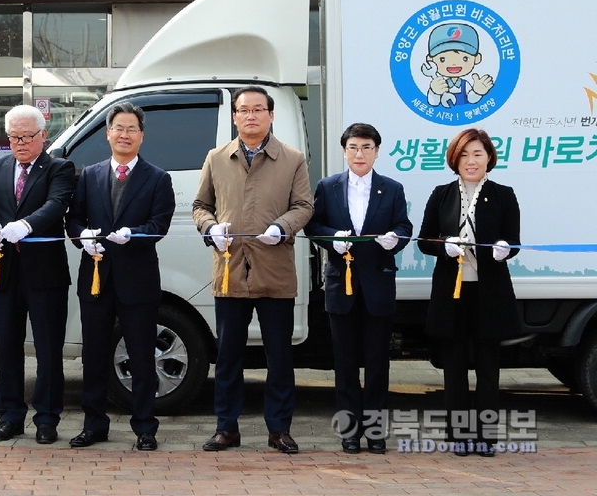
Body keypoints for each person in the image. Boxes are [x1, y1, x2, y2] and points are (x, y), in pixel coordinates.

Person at [192, 85, 313, 453]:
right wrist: (210, 229)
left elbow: (304, 205)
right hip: (229, 270)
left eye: (258, 109)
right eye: (243, 110)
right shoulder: (216, 158)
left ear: (271, 116)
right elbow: (201, 205)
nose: (251, 116)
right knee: (228, 354)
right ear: (234, 116)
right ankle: (226, 427)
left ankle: (279, 429)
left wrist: (283, 226)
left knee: (279, 355)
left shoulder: (292, 159)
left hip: (274, 270)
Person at [64, 102, 175, 451]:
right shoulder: (90, 175)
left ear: (141, 136)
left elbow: (159, 225)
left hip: (137, 280)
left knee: (141, 356)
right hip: (96, 277)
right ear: (108, 133)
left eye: (131, 129)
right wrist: (83, 238)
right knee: (94, 355)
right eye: (118, 128)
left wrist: (133, 234)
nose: (124, 135)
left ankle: (145, 427)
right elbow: (74, 220)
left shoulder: (158, 178)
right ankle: (94, 424)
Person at [304, 123, 413, 454]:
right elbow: (313, 225)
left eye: (366, 147)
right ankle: (350, 432)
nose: (359, 153)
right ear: (344, 151)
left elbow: (404, 227)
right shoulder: (328, 186)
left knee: (378, 364)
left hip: (378, 285)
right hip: (342, 286)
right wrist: (332, 240)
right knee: (345, 364)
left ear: (377, 151)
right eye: (353, 147)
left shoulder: (391, 188)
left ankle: (377, 433)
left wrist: (395, 239)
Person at [417, 127, 520, 457]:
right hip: (452, 293)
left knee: (489, 368)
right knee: (455, 368)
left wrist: (506, 248)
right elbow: (424, 240)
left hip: (490, 294)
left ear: (489, 157)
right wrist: (443, 245)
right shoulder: (441, 194)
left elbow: (513, 241)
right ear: (454, 159)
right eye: (464, 154)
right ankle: (459, 436)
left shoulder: (504, 194)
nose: (471, 160)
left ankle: (487, 438)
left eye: (477, 153)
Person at [0, 104, 76, 445]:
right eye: (13, 137)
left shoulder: (59, 168)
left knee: (48, 348)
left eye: (27, 137)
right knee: (6, 346)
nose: (20, 143)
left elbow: (56, 205)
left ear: (43, 136)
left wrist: (26, 224)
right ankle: (9, 416)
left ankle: (47, 418)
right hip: (5, 272)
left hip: (45, 273)